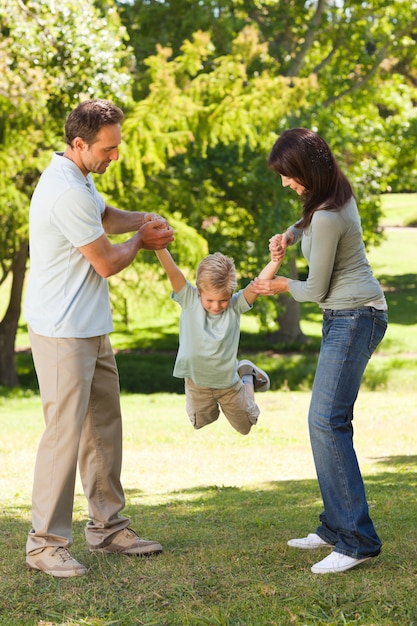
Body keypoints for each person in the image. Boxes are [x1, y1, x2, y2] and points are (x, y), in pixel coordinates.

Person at [24, 99, 174, 578]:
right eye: (108, 149)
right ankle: (45, 543)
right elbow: (107, 261)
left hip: (90, 326)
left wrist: (141, 218)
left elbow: (105, 216)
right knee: (64, 438)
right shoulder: (64, 191)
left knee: (103, 431)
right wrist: (142, 242)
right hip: (62, 331)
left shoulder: (80, 179)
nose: (115, 156)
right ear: (79, 143)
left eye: (118, 146)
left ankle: (108, 528)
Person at [253, 128, 388, 574]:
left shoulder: (329, 214)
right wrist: (289, 235)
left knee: (326, 422)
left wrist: (278, 284)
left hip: (355, 317)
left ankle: (356, 541)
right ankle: (335, 527)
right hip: (345, 316)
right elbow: (309, 223)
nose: (286, 184)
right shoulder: (328, 198)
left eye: (289, 176)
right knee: (326, 423)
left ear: (308, 171)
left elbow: (313, 289)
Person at [155, 248, 283, 434]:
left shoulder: (235, 305)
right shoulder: (189, 298)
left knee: (246, 425)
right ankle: (217, 402)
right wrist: (158, 246)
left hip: (228, 384)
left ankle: (247, 376)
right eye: (210, 300)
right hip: (197, 383)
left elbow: (259, 284)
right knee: (201, 422)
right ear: (199, 291)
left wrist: (276, 260)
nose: (216, 306)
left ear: (231, 294)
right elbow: (172, 271)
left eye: (223, 300)